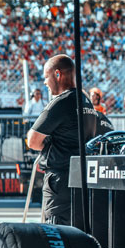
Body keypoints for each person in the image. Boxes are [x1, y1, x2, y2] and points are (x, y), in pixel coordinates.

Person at [25, 54, 99, 225]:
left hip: (60, 180)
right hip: (83, 178)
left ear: (57, 75)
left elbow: (33, 141)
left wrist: (50, 142)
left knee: (57, 237)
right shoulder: (86, 101)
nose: (44, 83)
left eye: (46, 77)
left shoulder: (61, 102)